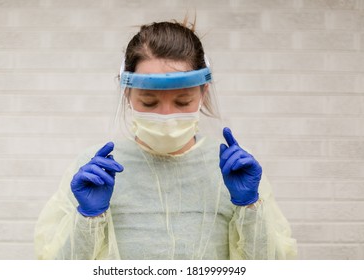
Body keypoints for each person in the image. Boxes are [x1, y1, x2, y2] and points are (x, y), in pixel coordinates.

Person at [34, 19, 297, 260]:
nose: (166, 116)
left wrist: (250, 207)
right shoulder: (96, 170)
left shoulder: (235, 169)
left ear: (203, 92)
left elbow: (273, 266)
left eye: (183, 101)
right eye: (149, 102)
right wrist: (88, 217)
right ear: (127, 94)